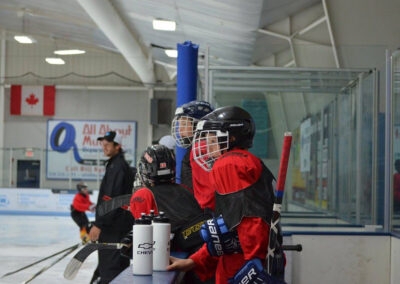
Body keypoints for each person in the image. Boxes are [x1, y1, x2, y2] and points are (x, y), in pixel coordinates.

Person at [168, 106, 277, 284]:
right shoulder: (247, 160)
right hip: (250, 263)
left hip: (241, 267)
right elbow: (228, 231)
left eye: (212, 139)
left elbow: (251, 221)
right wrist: (194, 261)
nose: (206, 147)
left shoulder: (230, 164)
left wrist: (253, 267)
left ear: (231, 138)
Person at [128, 144, 208, 253]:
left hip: (170, 254)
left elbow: (143, 234)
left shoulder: (143, 194)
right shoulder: (184, 189)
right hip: (201, 248)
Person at [89, 130, 135, 284]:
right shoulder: (116, 165)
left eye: (108, 144)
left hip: (113, 230)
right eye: (103, 144)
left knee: (111, 271)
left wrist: (99, 224)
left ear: (118, 146)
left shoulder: (117, 167)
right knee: (116, 269)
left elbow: (111, 199)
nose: (104, 147)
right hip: (117, 228)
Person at [171, 100, 215, 209]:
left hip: (202, 212)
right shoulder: (194, 149)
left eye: (185, 124)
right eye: (179, 124)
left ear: (198, 124)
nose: (180, 129)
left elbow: (207, 192)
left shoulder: (202, 149)